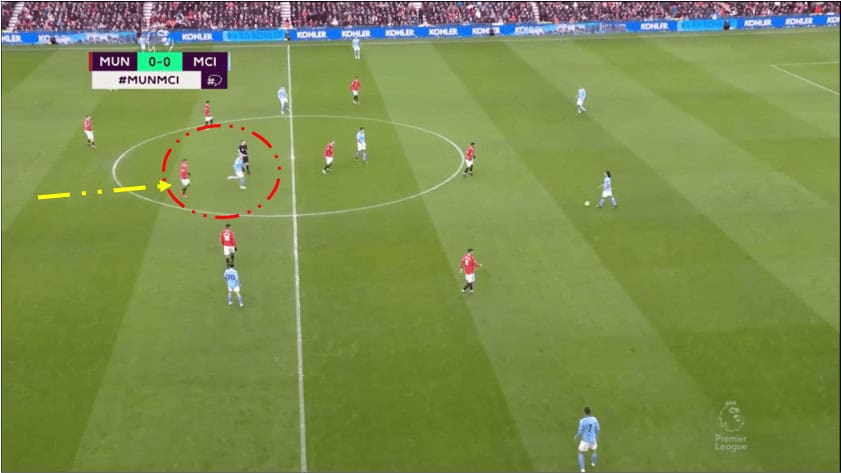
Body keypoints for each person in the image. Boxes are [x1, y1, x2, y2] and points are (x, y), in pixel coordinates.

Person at [574, 406, 600, 472]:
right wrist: (597, 435)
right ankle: (593, 463)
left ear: (584, 413)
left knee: (581, 453)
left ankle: (582, 469)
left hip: (585, 441)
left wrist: (576, 436)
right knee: (594, 451)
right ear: (590, 412)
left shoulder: (582, 421)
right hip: (593, 440)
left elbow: (580, 431)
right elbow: (598, 429)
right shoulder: (594, 419)